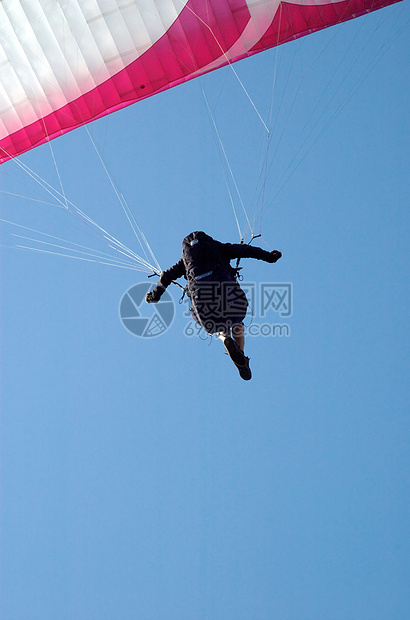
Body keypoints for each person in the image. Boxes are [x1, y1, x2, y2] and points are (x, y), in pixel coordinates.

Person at [146, 231, 282, 380]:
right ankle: (240, 353)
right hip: (227, 294)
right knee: (237, 322)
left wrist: (154, 296)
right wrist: (269, 257)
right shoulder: (220, 248)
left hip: (202, 305)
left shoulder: (184, 262)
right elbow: (247, 251)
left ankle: (225, 339)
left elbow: (166, 277)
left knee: (218, 326)